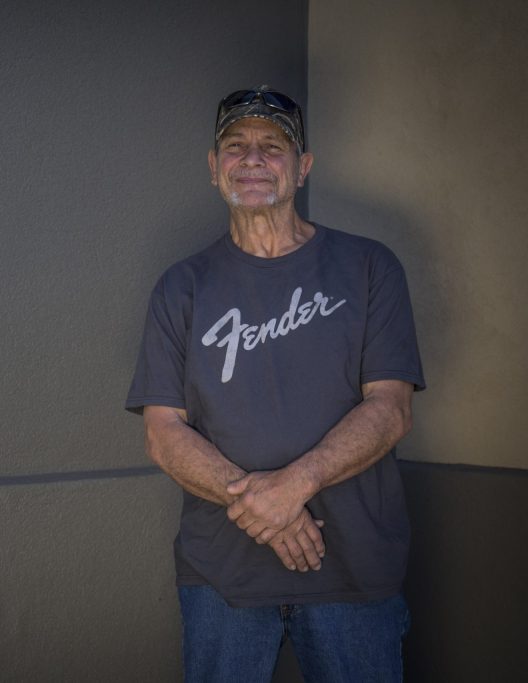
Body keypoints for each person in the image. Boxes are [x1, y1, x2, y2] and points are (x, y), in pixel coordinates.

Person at [125, 86, 425, 681]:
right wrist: (272, 507)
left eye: (274, 146)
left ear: (303, 167)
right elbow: (163, 432)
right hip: (223, 578)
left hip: (353, 572)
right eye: (236, 146)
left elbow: (390, 409)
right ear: (214, 169)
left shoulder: (370, 268)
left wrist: (297, 484)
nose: (254, 159)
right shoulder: (181, 287)